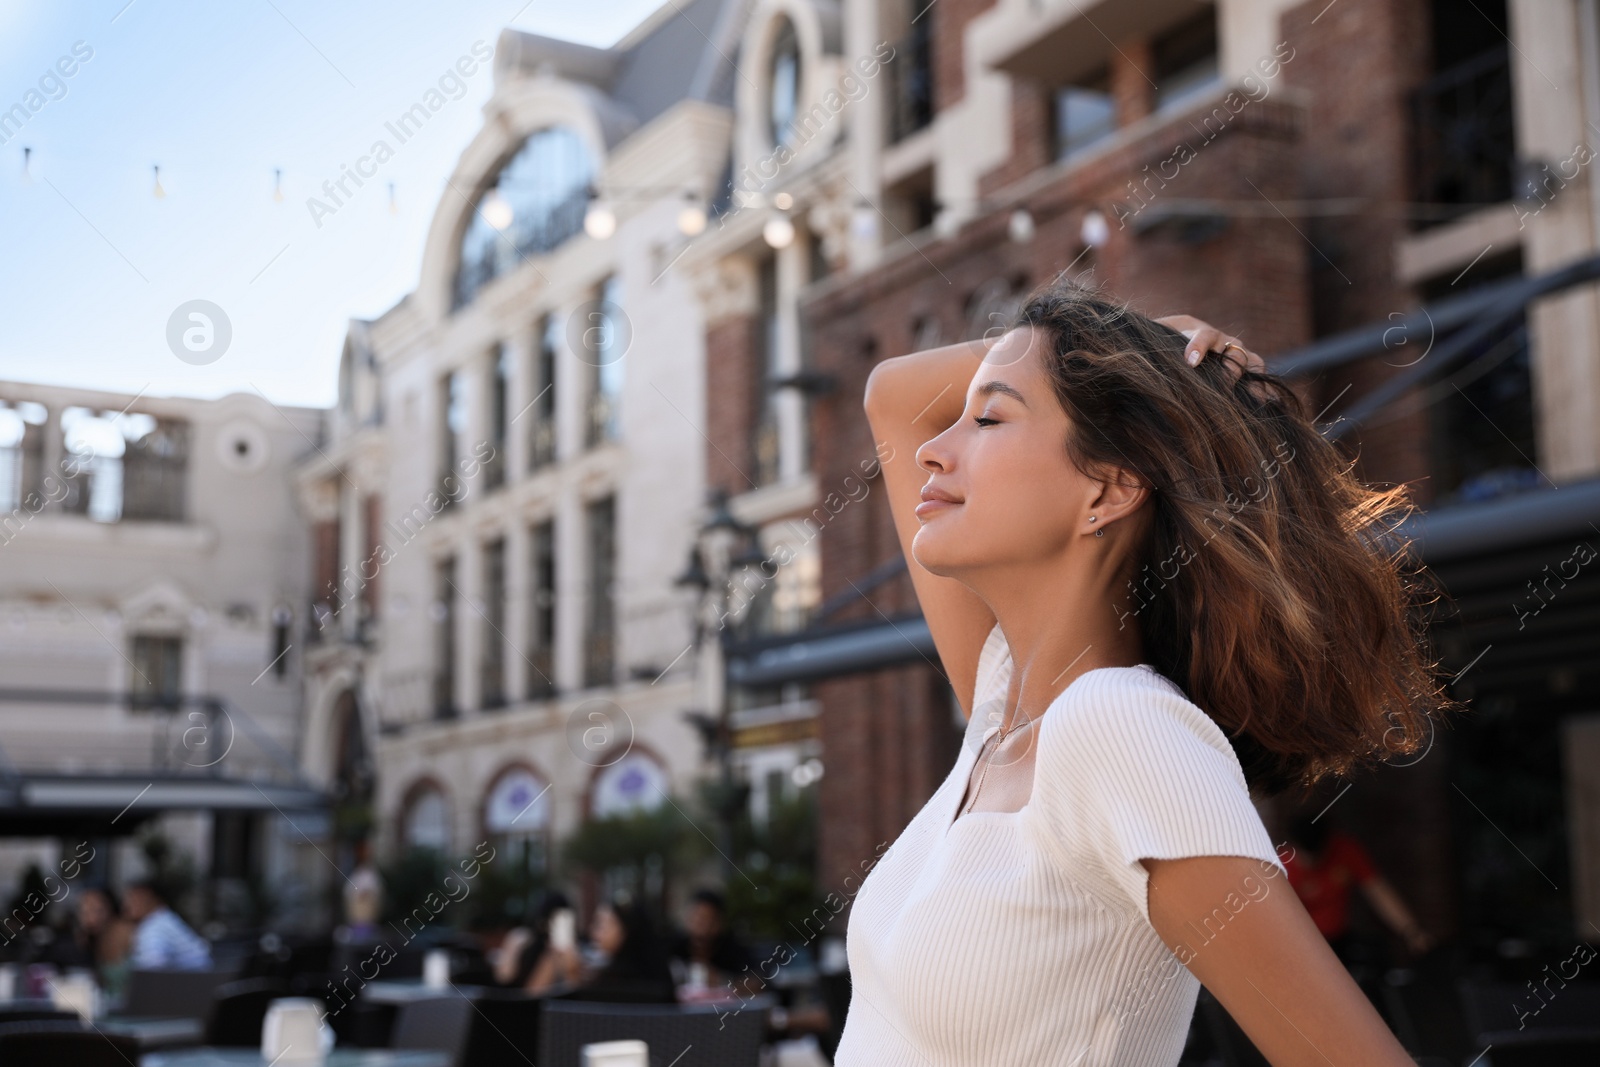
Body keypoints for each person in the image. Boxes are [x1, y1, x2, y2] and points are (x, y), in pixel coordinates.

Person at [838, 278, 1454, 1066]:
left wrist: (1132, 361)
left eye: (988, 417)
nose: (934, 446)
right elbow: (893, 395)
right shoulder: (1004, 703)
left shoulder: (1120, 727)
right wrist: (1145, 346)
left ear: (1112, 485)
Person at [1283, 815, 1434, 962]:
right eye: (1306, 856)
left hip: (1341, 940)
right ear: (1293, 846)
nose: (1313, 862)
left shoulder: (1344, 849)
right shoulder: (1283, 867)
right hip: (1305, 946)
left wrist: (1411, 931)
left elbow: (1378, 890)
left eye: (1318, 855)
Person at [527, 895, 676, 1002]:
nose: (593, 932)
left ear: (626, 930)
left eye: (601, 925)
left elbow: (581, 1019)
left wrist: (572, 975)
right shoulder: (657, 974)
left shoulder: (619, 983)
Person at [669, 888, 759, 994]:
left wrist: (722, 981)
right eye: (698, 918)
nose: (703, 926)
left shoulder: (732, 949)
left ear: (720, 922)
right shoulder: (672, 947)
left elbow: (757, 984)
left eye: (709, 919)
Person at [124, 880, 212, 970]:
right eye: (129, 898)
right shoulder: (164, 918)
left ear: (154, 899)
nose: (128, 904)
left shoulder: (155, 926)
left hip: (194, 980)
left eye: (136, 898)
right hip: (196, 978)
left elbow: (152, 966)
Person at [72, 885, 135, 996]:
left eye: (97, 910)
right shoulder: (90, 939)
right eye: (85, 912)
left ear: (110, 908)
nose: (91, 918)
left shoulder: (125, 931)